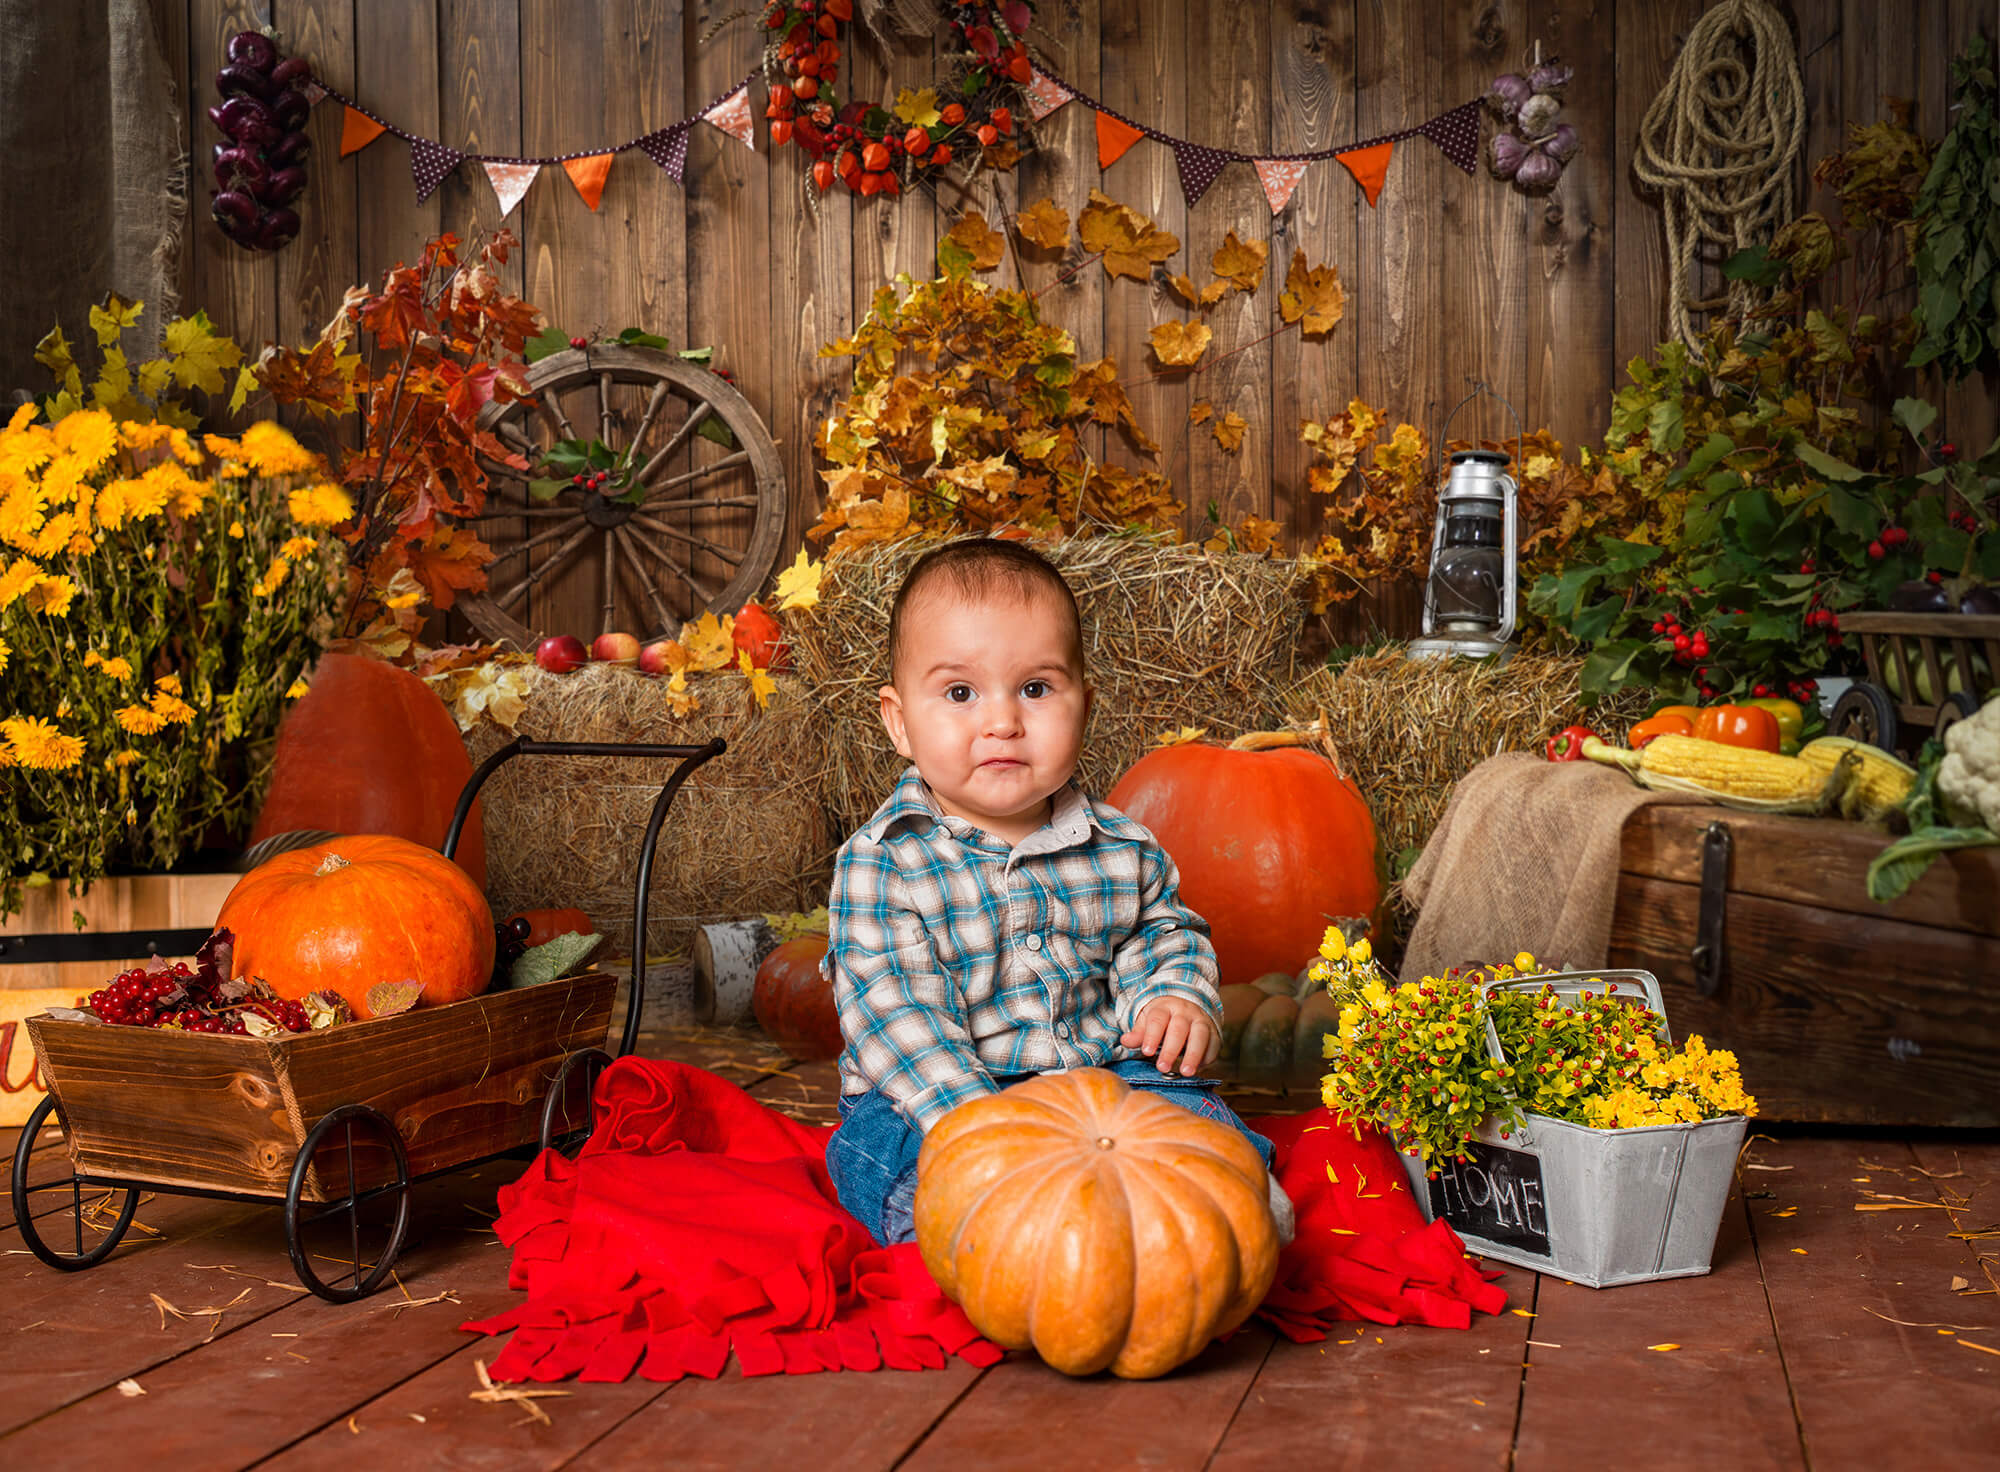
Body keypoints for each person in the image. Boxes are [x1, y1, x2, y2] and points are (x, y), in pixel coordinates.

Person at [822, 536, 1294, 1247]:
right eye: (960, 693)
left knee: (1198, 1126)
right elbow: (895, 1014)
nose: (1003, 720)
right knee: (886, 1156)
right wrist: (984, 1129)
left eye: (1036, 689)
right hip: (941, 1097)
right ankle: (1002, 1242)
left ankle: (1212, 1217)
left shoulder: (1123, 847)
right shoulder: (881, 862)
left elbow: (1161, 935)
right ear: (898, 722)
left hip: (1102, 1080)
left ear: (1085, 705)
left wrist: (1172, 998)